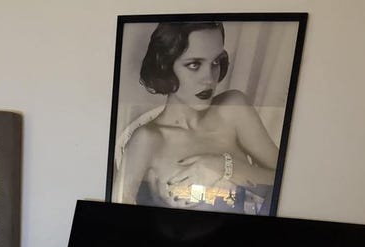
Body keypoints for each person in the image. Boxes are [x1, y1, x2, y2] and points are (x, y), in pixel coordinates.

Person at [113, 21, 279, 214]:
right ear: (165, 66)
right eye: (194, 64)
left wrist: (223, 167)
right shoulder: (146, 140)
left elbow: (287, 181)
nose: (209, 78)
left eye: (215, 62)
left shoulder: (233, 108)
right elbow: (115, 217)